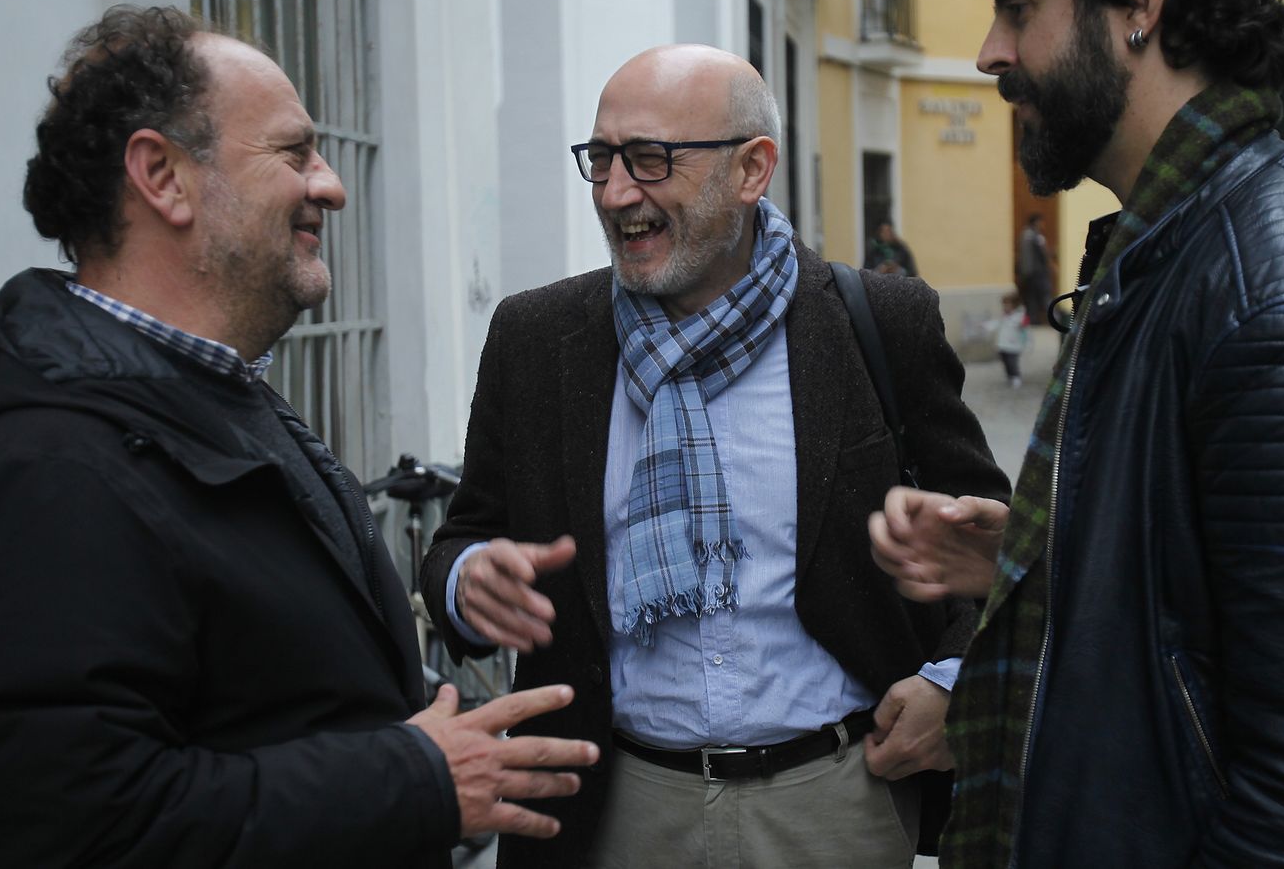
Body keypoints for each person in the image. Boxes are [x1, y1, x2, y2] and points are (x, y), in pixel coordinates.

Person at [0, 6, 597, 869]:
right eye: (294, 152)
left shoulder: (212, 396)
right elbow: (62, 832)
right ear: (162, 175)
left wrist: (431, 750)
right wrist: (414, 777)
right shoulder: (30, 469)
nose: (331, 184)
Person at [870, 0, 1284, 867]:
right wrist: (1042, 561)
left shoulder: (1283, 291)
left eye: (1018, 6)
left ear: (1142, 1)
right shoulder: (1172, 248)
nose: (990, 53)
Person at [423, 44, 1010, 868]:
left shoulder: (880, 323)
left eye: (652, 160)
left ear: (751, 169)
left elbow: (993, 552)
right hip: (610, 805)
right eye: (602, 159)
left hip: (838, 799)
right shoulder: (536, 340)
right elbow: (463, 538)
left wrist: (953, 681)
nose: (618, 192)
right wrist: (468, 578)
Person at [1013, 213, 1054, 323]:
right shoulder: (1037, 236)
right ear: (1036, 222)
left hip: (1026, 273)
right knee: (1045, 296)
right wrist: (1051, 266)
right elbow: (1043, 254)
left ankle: (1033, 320)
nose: (1043, 225)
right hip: (1038, 272)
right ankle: (1052, 319)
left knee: (1031, 298)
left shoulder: (1024, 235)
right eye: (1041, 222)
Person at [991, 291, 1029, 387]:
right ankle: (1010, 376)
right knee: (1005, 361)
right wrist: (986, 326)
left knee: (1012, 362)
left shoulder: (1019, 315)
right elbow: (997, 324)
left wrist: (1023, 325)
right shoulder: (1004, 316)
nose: (1005, 307)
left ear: (1014, 305)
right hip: (1003, 344)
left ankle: (1016, 376)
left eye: (1007, 305)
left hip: (1013, 345)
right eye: (1004, 305)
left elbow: (1025, 327)